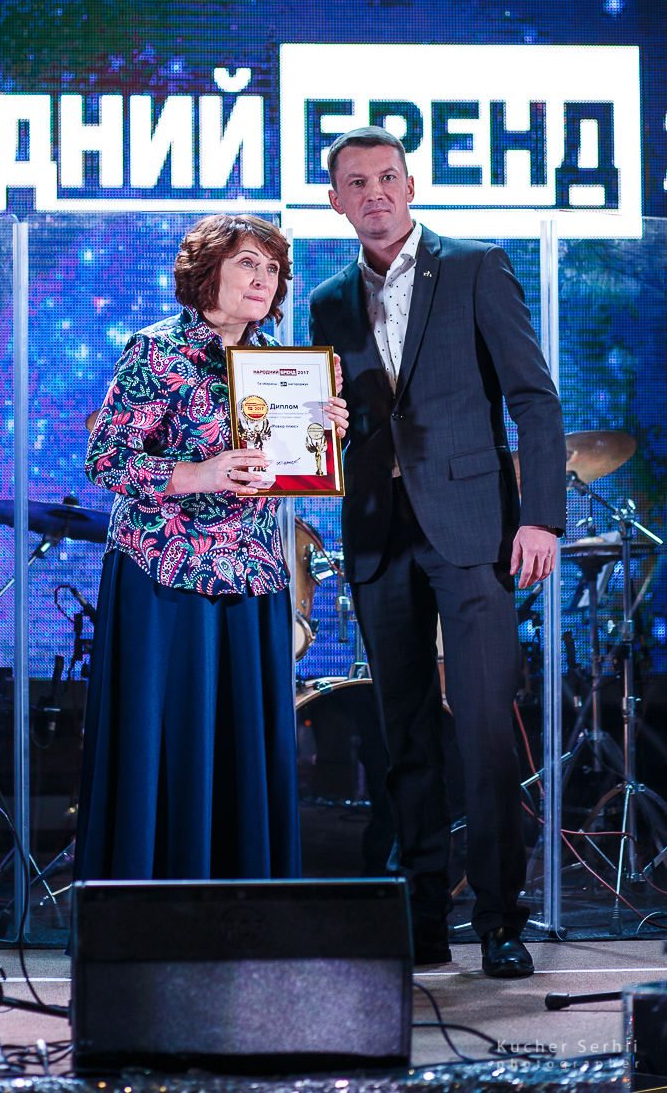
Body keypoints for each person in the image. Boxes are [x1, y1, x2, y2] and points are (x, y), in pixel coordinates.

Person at [309, 126, 566, 979]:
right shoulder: (327, 301)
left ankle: (498, 921)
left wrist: (541, 518)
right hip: (377, 533)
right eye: (356, 182)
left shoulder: (475, 266)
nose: (374, 192)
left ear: (410, 186)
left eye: (387, 176)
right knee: (405, 737)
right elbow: (336, 424)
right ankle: (422, 918)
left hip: (473, 529)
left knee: (486, 732)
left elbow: (533, 398)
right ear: (335, 201)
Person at [74, 213, 348, 879]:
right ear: (205, 272)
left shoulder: (280, 361)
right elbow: (105, 459)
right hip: (164, 577)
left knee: (242, 748)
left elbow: (289, 471)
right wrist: (197, 474)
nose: (263, 279)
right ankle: (151, 901)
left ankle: (246, 905)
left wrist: (325, 436)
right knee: (163, 745)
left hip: (252, 576)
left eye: (272, 268)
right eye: (246, 263)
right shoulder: (156, 351)